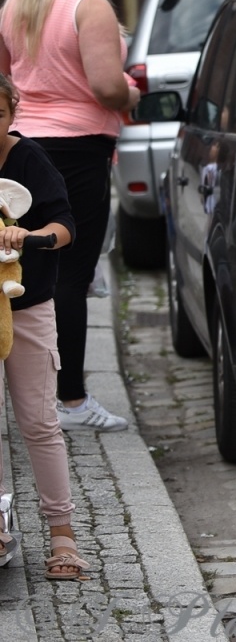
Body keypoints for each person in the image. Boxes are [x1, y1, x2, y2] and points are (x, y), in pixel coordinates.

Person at [0, 0, 137, 433]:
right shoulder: (88, 4)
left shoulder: (17, 2)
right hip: (79, 149)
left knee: (26, 268)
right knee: (72, 273)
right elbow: (106, 87)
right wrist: (133, 91)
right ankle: (73, 400)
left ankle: (35, 394)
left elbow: (9, 84)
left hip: (24, 146)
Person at [0, 73, 91, 580]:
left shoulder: (30, 159)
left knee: (37, 421)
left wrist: (29, 236)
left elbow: (65, 228)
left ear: (12, 113)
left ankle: (63, 535)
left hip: (27, 304)